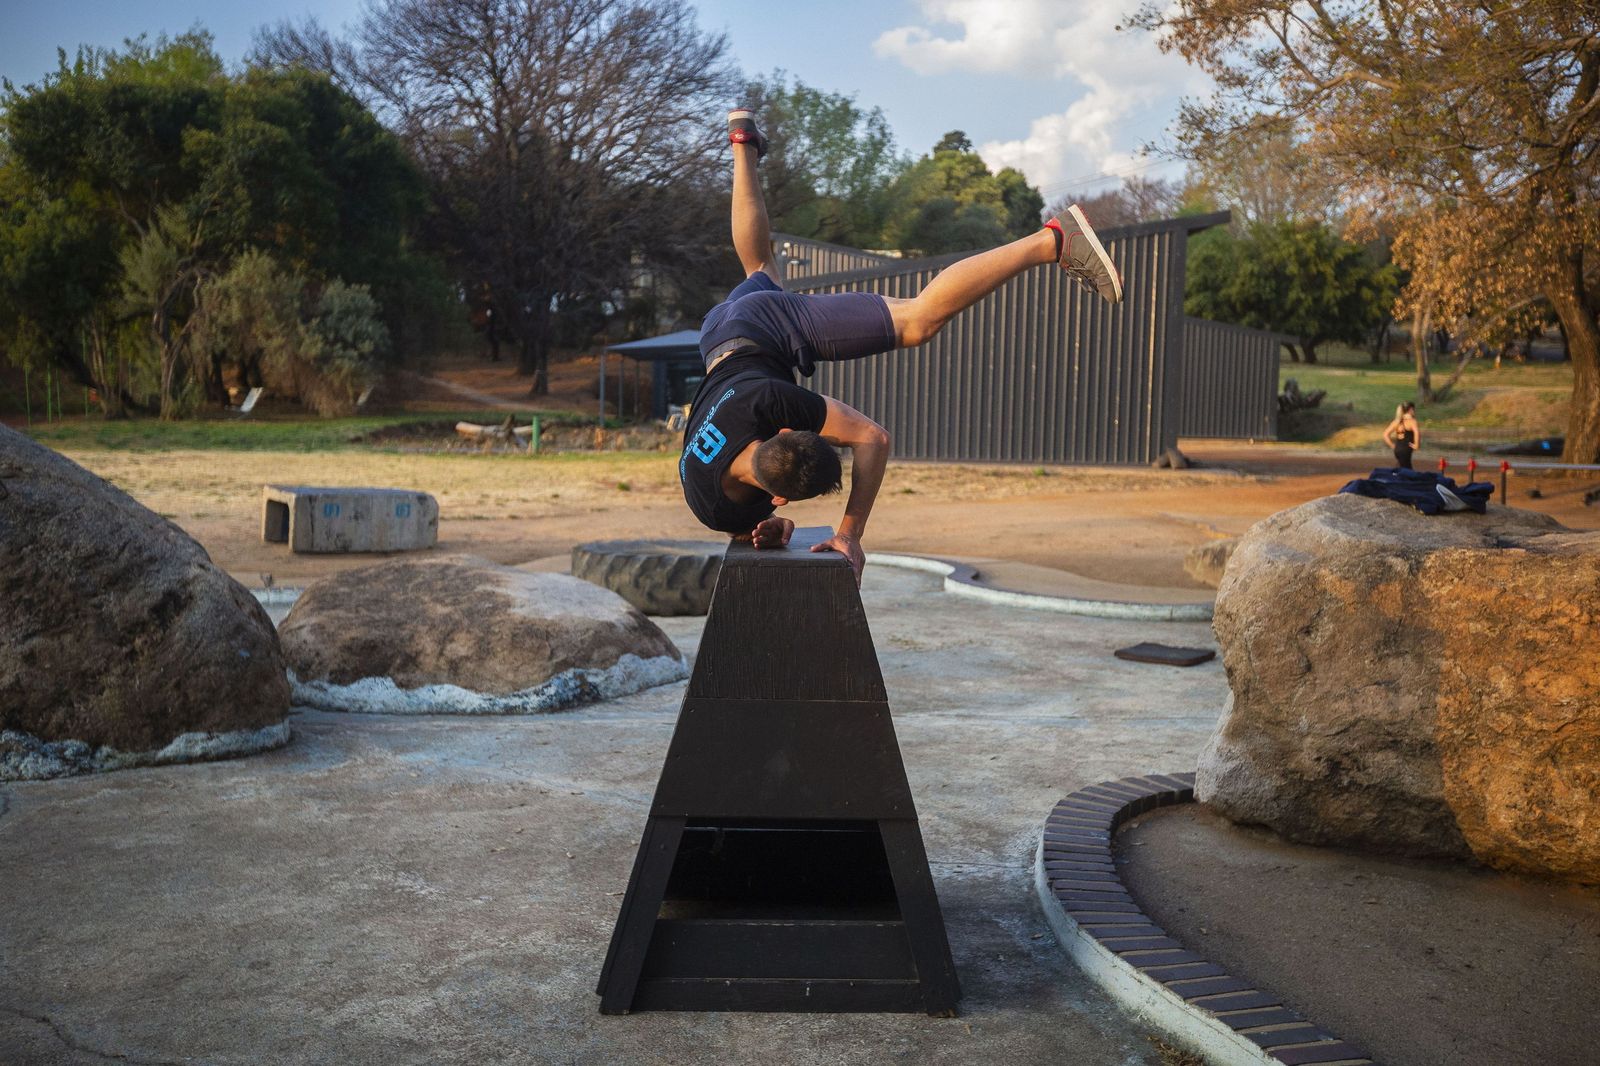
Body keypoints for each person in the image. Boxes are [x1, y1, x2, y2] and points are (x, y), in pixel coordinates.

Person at [679, 109, 1123, 581]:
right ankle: (741, 142)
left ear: (784, 433)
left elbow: (873, 437)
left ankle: (1052, 241)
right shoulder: (706, 501)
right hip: (717, 335)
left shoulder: (768, 403)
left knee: (917, 322)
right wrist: (772, 525)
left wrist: (849, 532)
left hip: (764, 327)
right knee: (760, 268)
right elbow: (754, 511)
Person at [1383, 401, 1421, 469]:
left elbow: (1385, 434)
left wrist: (1393, 446)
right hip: (1406, 450)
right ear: (1410, 409)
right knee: (1407, 470)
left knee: (1401, 467)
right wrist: (1416, 445)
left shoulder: (1397, 421)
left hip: (1397, 449)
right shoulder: (1412, 421)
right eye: (1413, 409)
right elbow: (1417, 433)